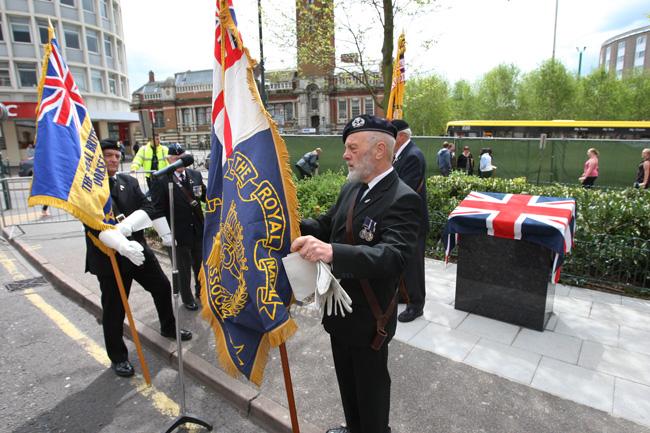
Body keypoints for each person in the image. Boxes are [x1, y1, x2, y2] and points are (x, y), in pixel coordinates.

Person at [291, 115, 420, 433]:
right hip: (340, 314)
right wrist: (290, 222)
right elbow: (326, 225)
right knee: (348, 387)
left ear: (379, 150)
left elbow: (392, 257)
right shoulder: (352, 188)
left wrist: (332, 252)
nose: (345, 154)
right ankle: (353, 428)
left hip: (369, 320)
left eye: (351, 147)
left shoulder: (403, 198)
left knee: (371, 394)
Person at [85, 139, 192, 378]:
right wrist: (121, 242)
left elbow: (150, 208)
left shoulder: (129, 182)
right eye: (107, 155)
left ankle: (167, 327)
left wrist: (128, 226)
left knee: (162, 287)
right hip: (110, 256)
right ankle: (119, 357)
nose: (113, 159)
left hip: (139, 251)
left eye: (115, 155)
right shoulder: (89, 190)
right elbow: (92, 225)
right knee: (115, 309)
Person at [149, 143, 206, 311]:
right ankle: (187, 298)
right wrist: (166, 234)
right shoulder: (161, 179)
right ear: (169, 160)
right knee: (183, 269)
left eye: (182, 159)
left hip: (197, 229)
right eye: (176, 159)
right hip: (178, 232)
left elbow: (204, 195)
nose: (180, 163)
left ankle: (201, 292)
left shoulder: (195, 175)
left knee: (200, 265)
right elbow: (156, 209)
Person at [391, 119, 428, 323]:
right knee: (403, 262)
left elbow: (405, 189)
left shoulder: (413, 155)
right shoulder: (400, 155)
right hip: (403, 221)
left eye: (391, 135)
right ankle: (404, 295)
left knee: (414, 265)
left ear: (402, 136)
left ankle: (416, 305)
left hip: (413, 222)